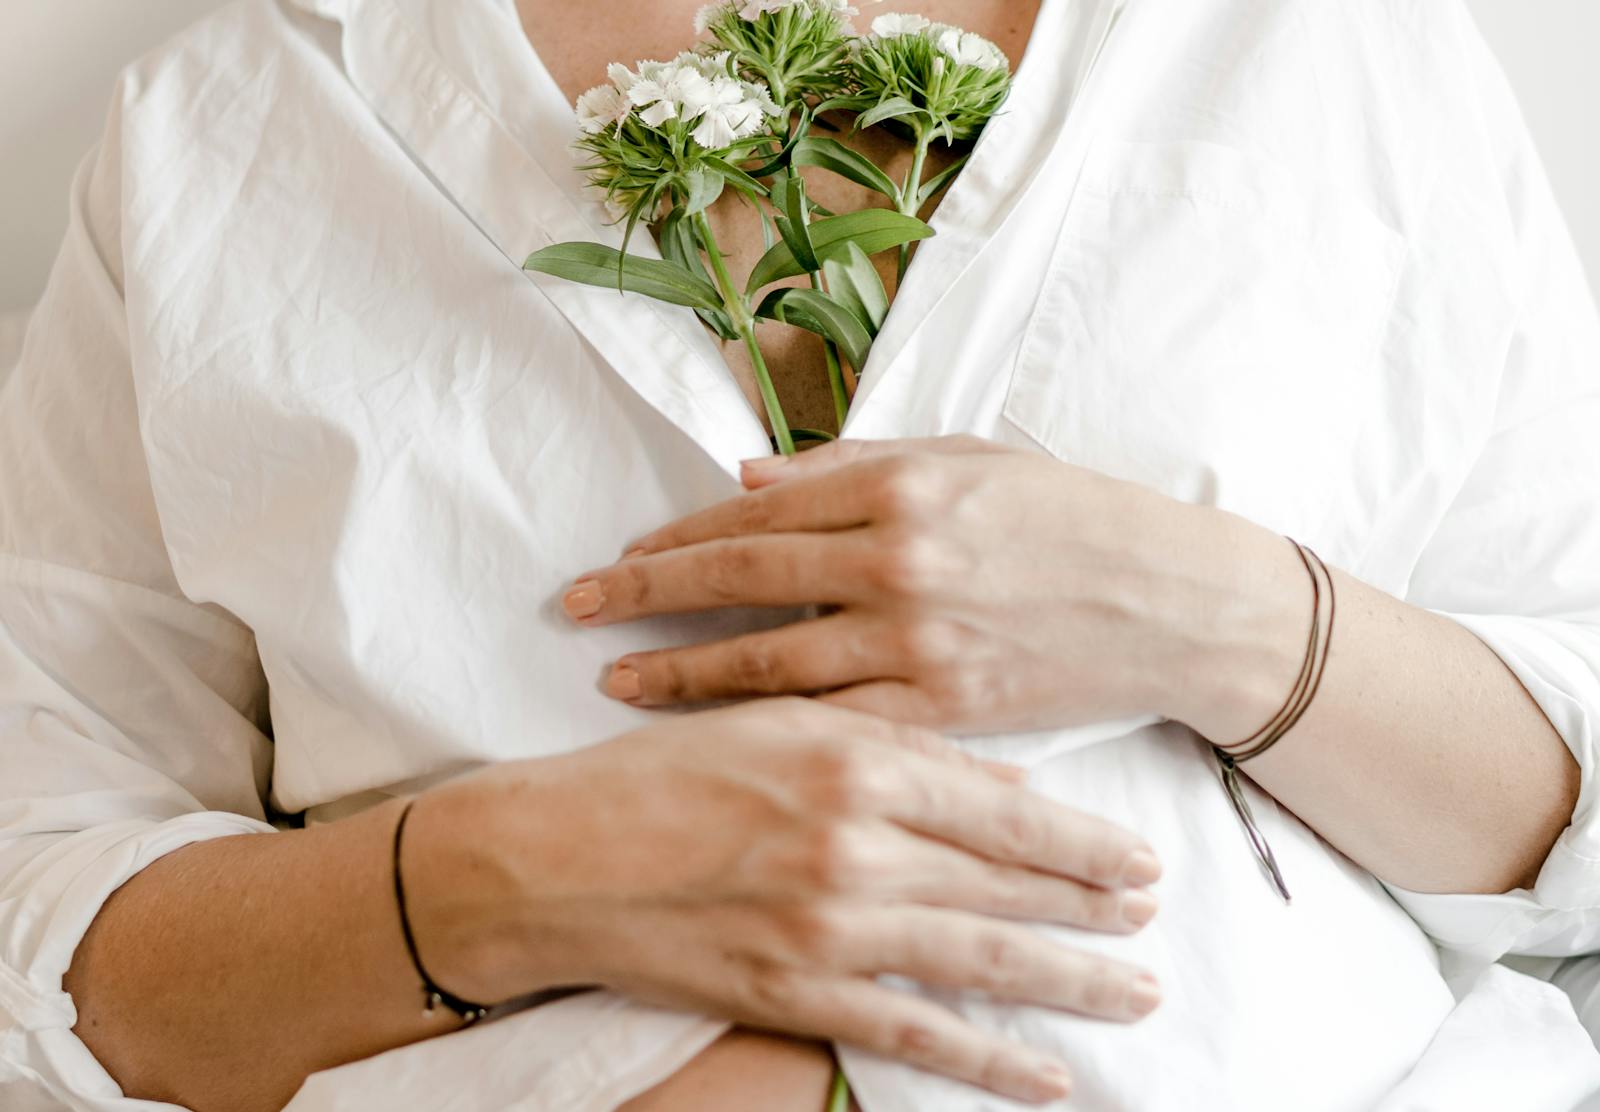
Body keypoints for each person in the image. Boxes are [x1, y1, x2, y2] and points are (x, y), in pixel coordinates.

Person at [2, 0, 1598, 1109]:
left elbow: (1572, 790)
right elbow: (45, 895)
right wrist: (502, 881)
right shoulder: (221, 136)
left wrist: (1225, 620)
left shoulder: (1329, 49)